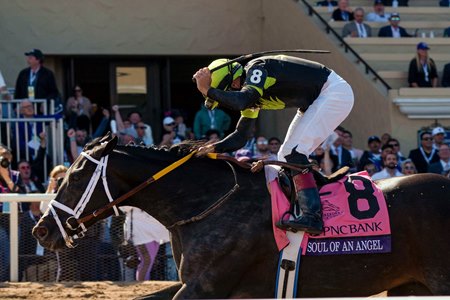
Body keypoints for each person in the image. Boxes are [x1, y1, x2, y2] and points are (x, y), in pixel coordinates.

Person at [193, 55, 354, 234]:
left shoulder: (256, 68)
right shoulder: (250, 96)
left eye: (232, 87)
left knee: (294, 152)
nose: (234, 91)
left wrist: (207, 90)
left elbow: (242, 99)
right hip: (316, 100)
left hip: (333, 92)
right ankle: (304, 205)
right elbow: (241, 136)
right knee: (285, 155)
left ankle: (313, 216)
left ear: (235, 76)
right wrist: (214, 147)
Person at [120, 207, 169, 281]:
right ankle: (142, 286)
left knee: (150, 260)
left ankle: (144, 284)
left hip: (156, 229)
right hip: (140, 231)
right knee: (146, 260)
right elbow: (123, 207)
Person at [14, 49, 60, 114]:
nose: (28, 60)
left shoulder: (47, 74)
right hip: (25, 109)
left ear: (38, 60)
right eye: (28, 58)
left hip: (41, 109)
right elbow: (18, 91)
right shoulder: (23, 73)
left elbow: (54, 92)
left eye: (31, 58)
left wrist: (46, 102)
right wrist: (16, 106)